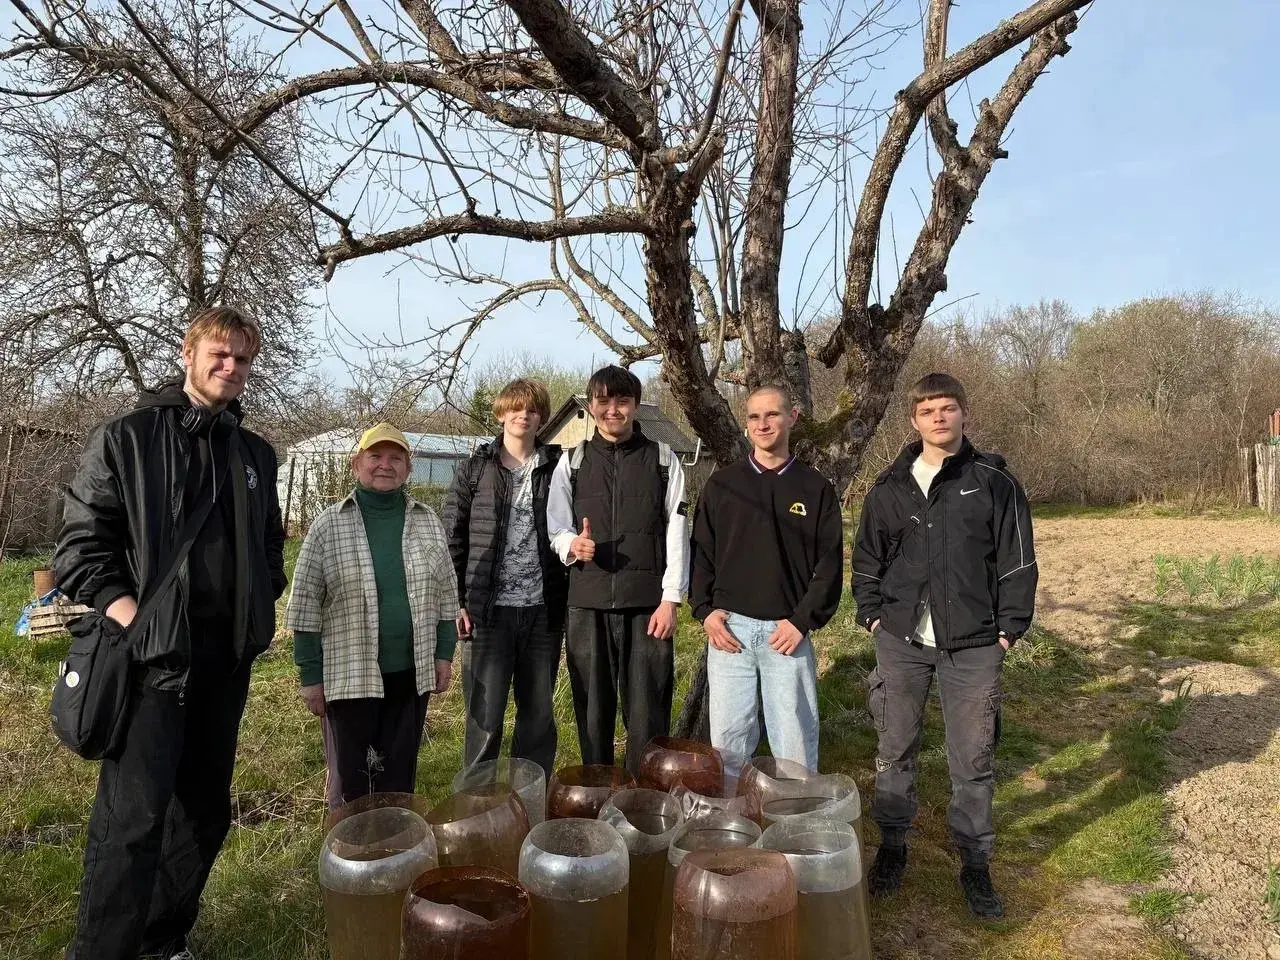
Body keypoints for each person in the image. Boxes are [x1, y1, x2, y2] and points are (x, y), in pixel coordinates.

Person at [51, 306, 286, 960]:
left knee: (204, 815)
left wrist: (261, 606)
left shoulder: (255, 454)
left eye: (243, 358)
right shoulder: (127, 438)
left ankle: (161, 939)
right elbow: (79, 549)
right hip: (150, 666)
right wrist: (133, 621)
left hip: (224, 665)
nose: (232, 367)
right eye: (220, 353)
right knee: (132, 825)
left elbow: (271, 542)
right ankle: (101, 951)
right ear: (188, 353)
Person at [853, 372, 1037, 919]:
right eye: (929, 409)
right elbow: (867, 561)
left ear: (964, 414)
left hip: (976, 643)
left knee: (972, 757)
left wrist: (1009, 629)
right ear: (914, 420)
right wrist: (872, 619)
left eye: (948, 408)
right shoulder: (889, 488)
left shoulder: (994, 483)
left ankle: (976, 863)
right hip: (903, 641)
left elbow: (1018, 561)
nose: (939, 417)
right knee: (894, 747)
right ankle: (892, 846)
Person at [286, 423, 459, 806]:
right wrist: (310, 676)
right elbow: (304, 608)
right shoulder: (328, 525)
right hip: (347, 676)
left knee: (398, 778)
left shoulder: (427, 521)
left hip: (409, 673)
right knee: (350, 783)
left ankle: (395, 854)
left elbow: (448, 596)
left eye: (396, 457)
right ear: (355, 464)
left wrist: (443, 655)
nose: (385, 465)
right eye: (375, 456)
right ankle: (348, 855)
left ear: (408, 469)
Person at [689, 384, 843, 776]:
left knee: (793, 739)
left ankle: (795, 825)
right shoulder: (722, 485)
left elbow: (828, 565)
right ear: (746, 425)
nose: (763, 424)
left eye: (772, 414)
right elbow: (701, 553)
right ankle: (731, 826)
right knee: (728, 740)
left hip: (786, 632)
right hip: (730, 633)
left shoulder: (815, 488)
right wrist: (704, 611)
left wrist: (802, 621)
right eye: (755, 416)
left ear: (792, 418)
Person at [546, 365, 688, 775]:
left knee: (647, 713)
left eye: (622, 401)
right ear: (591, 406)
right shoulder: (571, 461)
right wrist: (572, 544)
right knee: (593, 711)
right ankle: (598, 795)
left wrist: (671, 598)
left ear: (636, 406)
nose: (613, 410)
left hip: (647, 608)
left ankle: (645, 805)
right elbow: (556, 526)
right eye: (604, 402)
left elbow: (678, 530)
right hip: (586, 605)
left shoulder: (663, 460)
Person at [444, 378, 568, 777]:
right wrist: (457, 602)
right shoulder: (474, 469)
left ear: (542, 418)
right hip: (488, 615)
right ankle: (476, 817)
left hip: (542, 614)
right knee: (485, 721)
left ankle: (527, 809)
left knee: (537, 719)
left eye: (532, 409)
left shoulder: (559, 468)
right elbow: (452, 539)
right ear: (501, 413)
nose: (523, 415)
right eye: (515, 408)